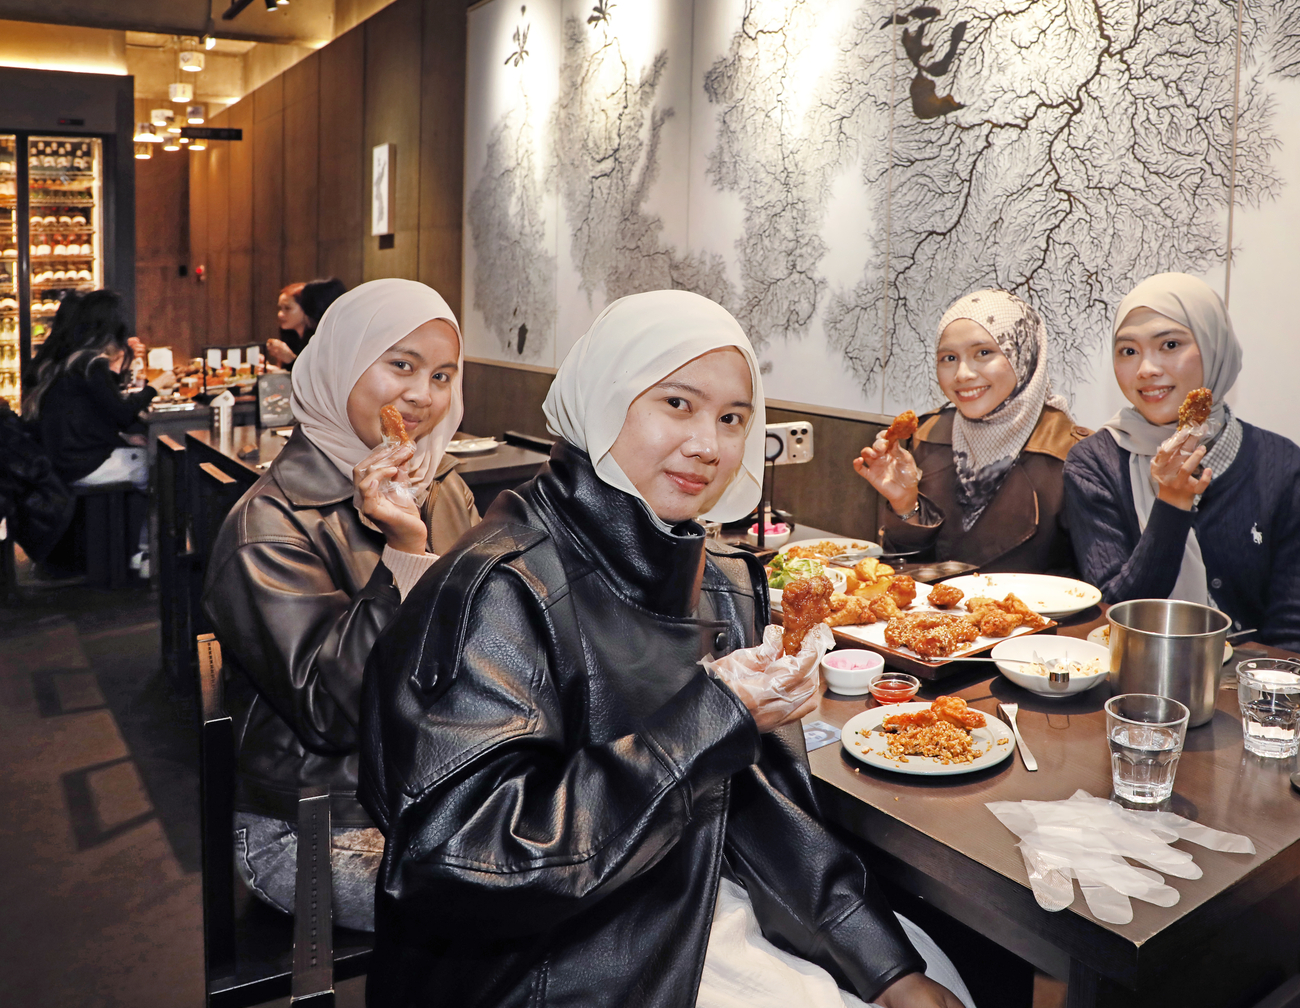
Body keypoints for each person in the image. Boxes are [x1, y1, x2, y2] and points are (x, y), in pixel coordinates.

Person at [360, 290, 974, 1008]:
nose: (708, 445)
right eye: (677, 404)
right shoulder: (501, 588)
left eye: (733, 418)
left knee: (935, 974)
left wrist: (884, 967)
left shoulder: (721, 584)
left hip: (689, 894)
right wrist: (710, 719)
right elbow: (461, 863)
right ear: (605, 398)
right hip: (553, 958)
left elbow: (763, 808)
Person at [203, 278, 481, 931]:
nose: (422, 394)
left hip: (437, 791)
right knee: (530, 905)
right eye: (401, 365)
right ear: (341, 365)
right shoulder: (268, 525)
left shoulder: (443, 490)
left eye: (443, 375)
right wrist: (405, 552)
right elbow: (333, 714)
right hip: (317, 824)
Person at [1063, 272, 1300, 657]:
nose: (1146, 369)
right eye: (1128, 351)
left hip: (1247, 690)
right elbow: (1112, 616)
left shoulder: (1283, 467)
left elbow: (1298, 634)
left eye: (1169, 344)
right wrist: (1171, 503)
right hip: (1131, 676)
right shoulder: (1094, 462)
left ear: (1213, 347)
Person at [855, 289, 1089, 572]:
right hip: (934, 613)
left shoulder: (1074, 455)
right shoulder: (927, 436)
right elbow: (906, 572)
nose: (963, 374)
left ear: (1023, 355)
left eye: (983, 353)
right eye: (949, 358)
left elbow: (1094, 589)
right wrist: (905, 505)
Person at [26, 289, 175, 489]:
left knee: (146, 456)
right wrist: (157, 385)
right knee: (159, 468)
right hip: (79, 465)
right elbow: (122, 413)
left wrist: (123, 438)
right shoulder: (92, 363)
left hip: (63, 460)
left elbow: (92, 415)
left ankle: (122, 520)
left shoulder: (75, 359)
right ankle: (140, 521)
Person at [265, 277, 347, 369]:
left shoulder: (325, 338)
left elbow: (315, 376)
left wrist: (290, 359)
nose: (280, 314)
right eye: (280, 308)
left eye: (287, 308)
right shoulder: (290, 335)